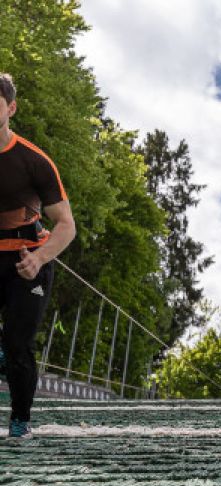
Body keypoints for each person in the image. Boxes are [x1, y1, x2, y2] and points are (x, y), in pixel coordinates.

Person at [0, 73, 76, 439]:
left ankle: (20, 423)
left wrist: (41, 258)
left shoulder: (34, 162)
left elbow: (66, 225)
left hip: (26, 262)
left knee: (18, 343)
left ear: (10, 108)